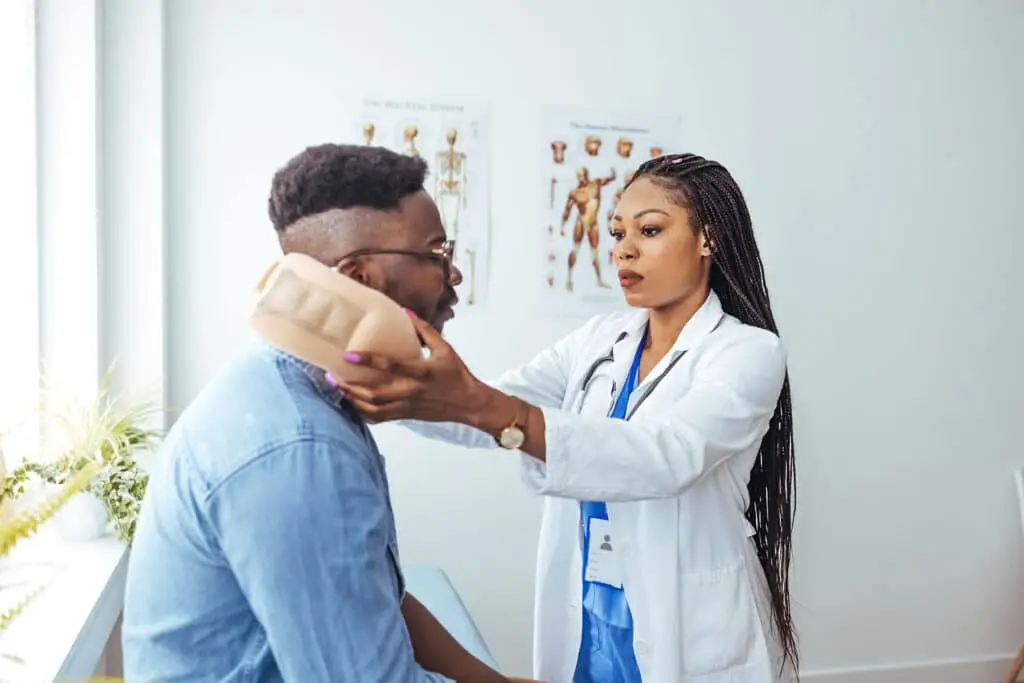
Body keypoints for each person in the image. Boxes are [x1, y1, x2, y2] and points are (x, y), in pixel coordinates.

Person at [332, 153, 798, 683]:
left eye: (649, 230)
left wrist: (487, 408)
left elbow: (668, 457)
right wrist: (390, 380)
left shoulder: (748, 352)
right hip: (590, 610)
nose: (624, 248)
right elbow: (484, 405)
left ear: (707, 238)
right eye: (618, 231)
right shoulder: (601, 340)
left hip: (687, 626)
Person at [121, 144, 520, 683]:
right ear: (357, 278)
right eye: (435, 254)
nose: (453, 277)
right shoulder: (299, 445)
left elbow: (375, 600)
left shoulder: (292, 392)